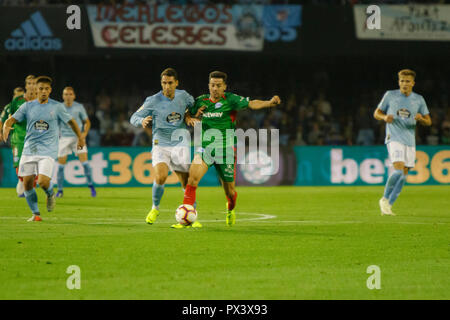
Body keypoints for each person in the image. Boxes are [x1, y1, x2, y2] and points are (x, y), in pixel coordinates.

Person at [182, 71, 281, 227]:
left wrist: (269, 103)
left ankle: (230, 208)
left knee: (230, 191)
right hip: (205, 148)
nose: (215, 88)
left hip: (226, 151)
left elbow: (252, 103)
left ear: (224, 87)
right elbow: (187, 114)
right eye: (212, 85)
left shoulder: (231, 99)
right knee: (192, 178)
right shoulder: (201, 101)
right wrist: (190, 118)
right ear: (209, 85)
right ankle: (185, 217)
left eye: (218, 86)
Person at [2, 76, 85, 222]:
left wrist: (80, 137)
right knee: (27, 183)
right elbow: (12, 119)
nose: (44, 91)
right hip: (29, 149)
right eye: (41, 88)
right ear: (36, 89)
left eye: (46, 89)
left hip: (48, 150)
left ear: (50, 90)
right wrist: (6, 126)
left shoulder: (57, 107)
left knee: (42, 182)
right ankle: (36, 214)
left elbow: (71, 121)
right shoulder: (27, 106)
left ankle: (50, 193)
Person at [130, 68, 199, 226]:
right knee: (161, 176)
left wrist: (188, 115)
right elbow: (134, 116)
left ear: (176, 83)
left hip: (180, 142)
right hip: (160, 143)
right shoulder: (152, 100)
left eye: (170, 83)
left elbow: (193, 107)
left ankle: (192, 215)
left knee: (186, 181)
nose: (167, 86)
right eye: (164, 83)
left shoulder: (184, 96)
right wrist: (141, 121)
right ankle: (155, 208)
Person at [374, 69, 431, 216]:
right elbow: (376, 113)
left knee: (403, 176)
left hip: (410, 141)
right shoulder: (390, 95)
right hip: (394, 137)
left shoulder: (418, 99)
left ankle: (388, 206)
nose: (404, 84)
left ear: (413, 83)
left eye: (407, 81)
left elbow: (428, 121)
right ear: (398, 82)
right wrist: (385, 117)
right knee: (398, 170)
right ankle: (384, 199)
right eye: (402, 81)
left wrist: (421, 119)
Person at [56, 87, 96, 198]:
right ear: (63, 96)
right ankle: (60, 190)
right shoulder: (58, 108)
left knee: (85, 164)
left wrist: (83, 136)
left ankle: (91, 187)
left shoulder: (79, 107)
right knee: (60, 167)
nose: (68, 96)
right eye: (66, 94)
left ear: (74, 96)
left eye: (70, 94)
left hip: (77, 138)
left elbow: (87, 122)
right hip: (64, 139)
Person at [0, 76, 36, 197]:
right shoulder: (17, 101)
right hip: (18, 138)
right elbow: (7, 118)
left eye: (33, 83)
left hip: (35, 139)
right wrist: (4, 129)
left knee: (34, 164)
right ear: (26, 85)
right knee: (19, 164)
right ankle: (22, 181)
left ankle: (30, 186)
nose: (31, 85)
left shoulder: (42, 101)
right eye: (29, 83)